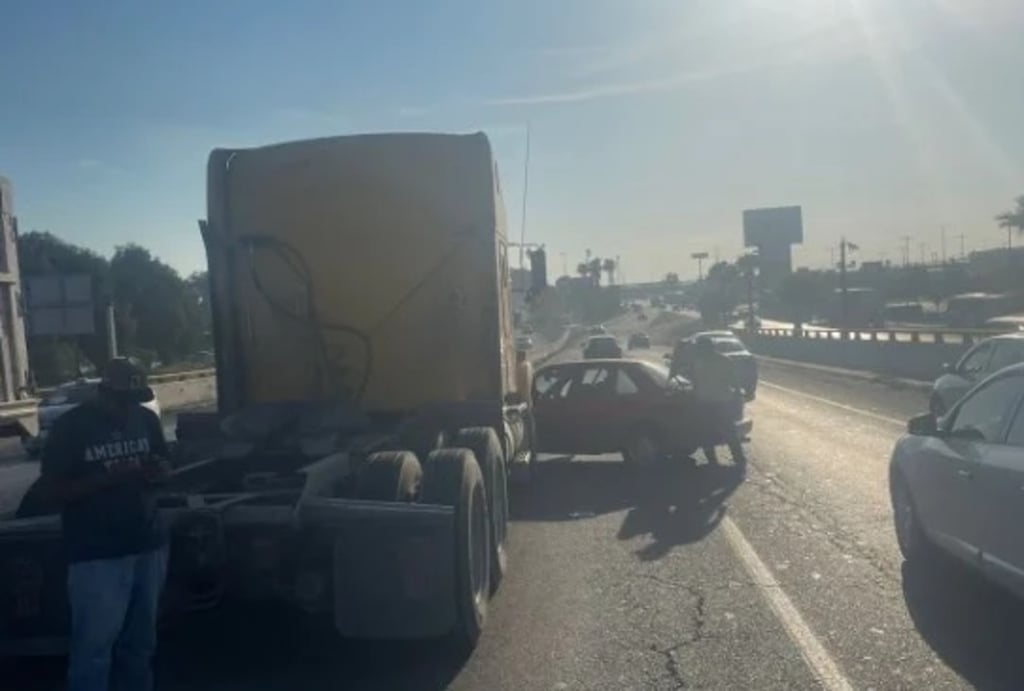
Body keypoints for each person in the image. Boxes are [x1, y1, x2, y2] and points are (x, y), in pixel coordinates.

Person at [40, 358, 171, 691]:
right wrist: (107, 479)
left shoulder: (145, 419)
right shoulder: (71, 428)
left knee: (140, 646)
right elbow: (54, 491)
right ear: (103, 392)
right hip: (97, 554)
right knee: (94, 650)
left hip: (147, 543)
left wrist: (157, 472)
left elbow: (164, 464)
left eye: (133, 399)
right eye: (121, 400)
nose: (127, 408)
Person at [689, 336, 745, 467]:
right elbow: (734, 382)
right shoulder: (724, 361)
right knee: (729, 431)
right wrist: (737, 396)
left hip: (706, 403)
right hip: (721, 401)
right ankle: (738, 459)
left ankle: (712, 461)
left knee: (706, 433)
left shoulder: (698, 362)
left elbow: (695, 382)